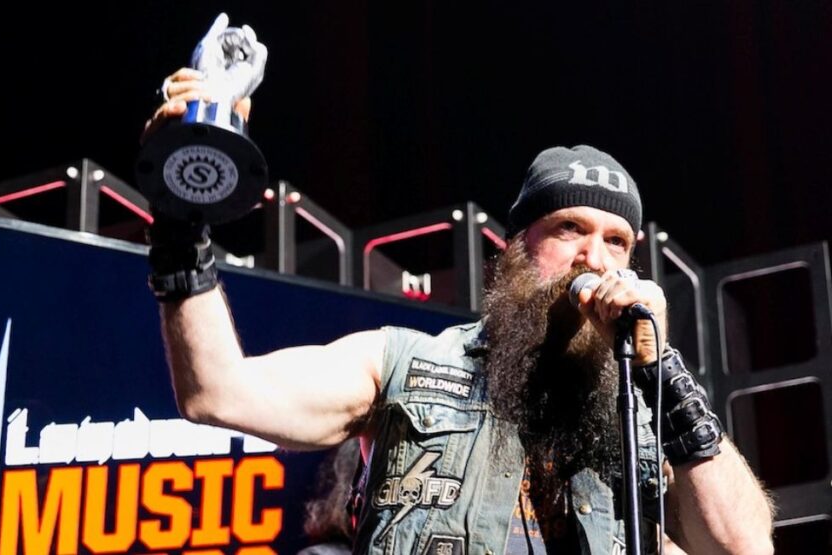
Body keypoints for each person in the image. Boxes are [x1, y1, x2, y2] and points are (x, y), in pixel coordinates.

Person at [143, 69, 775, 554]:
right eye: (569, 228)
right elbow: (219, 392)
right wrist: (180, 224)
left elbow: (745, 547)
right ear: (516, 248)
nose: (594, 258)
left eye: (616, 241)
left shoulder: (645, 418)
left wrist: (662, 370)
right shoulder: (402, 364)